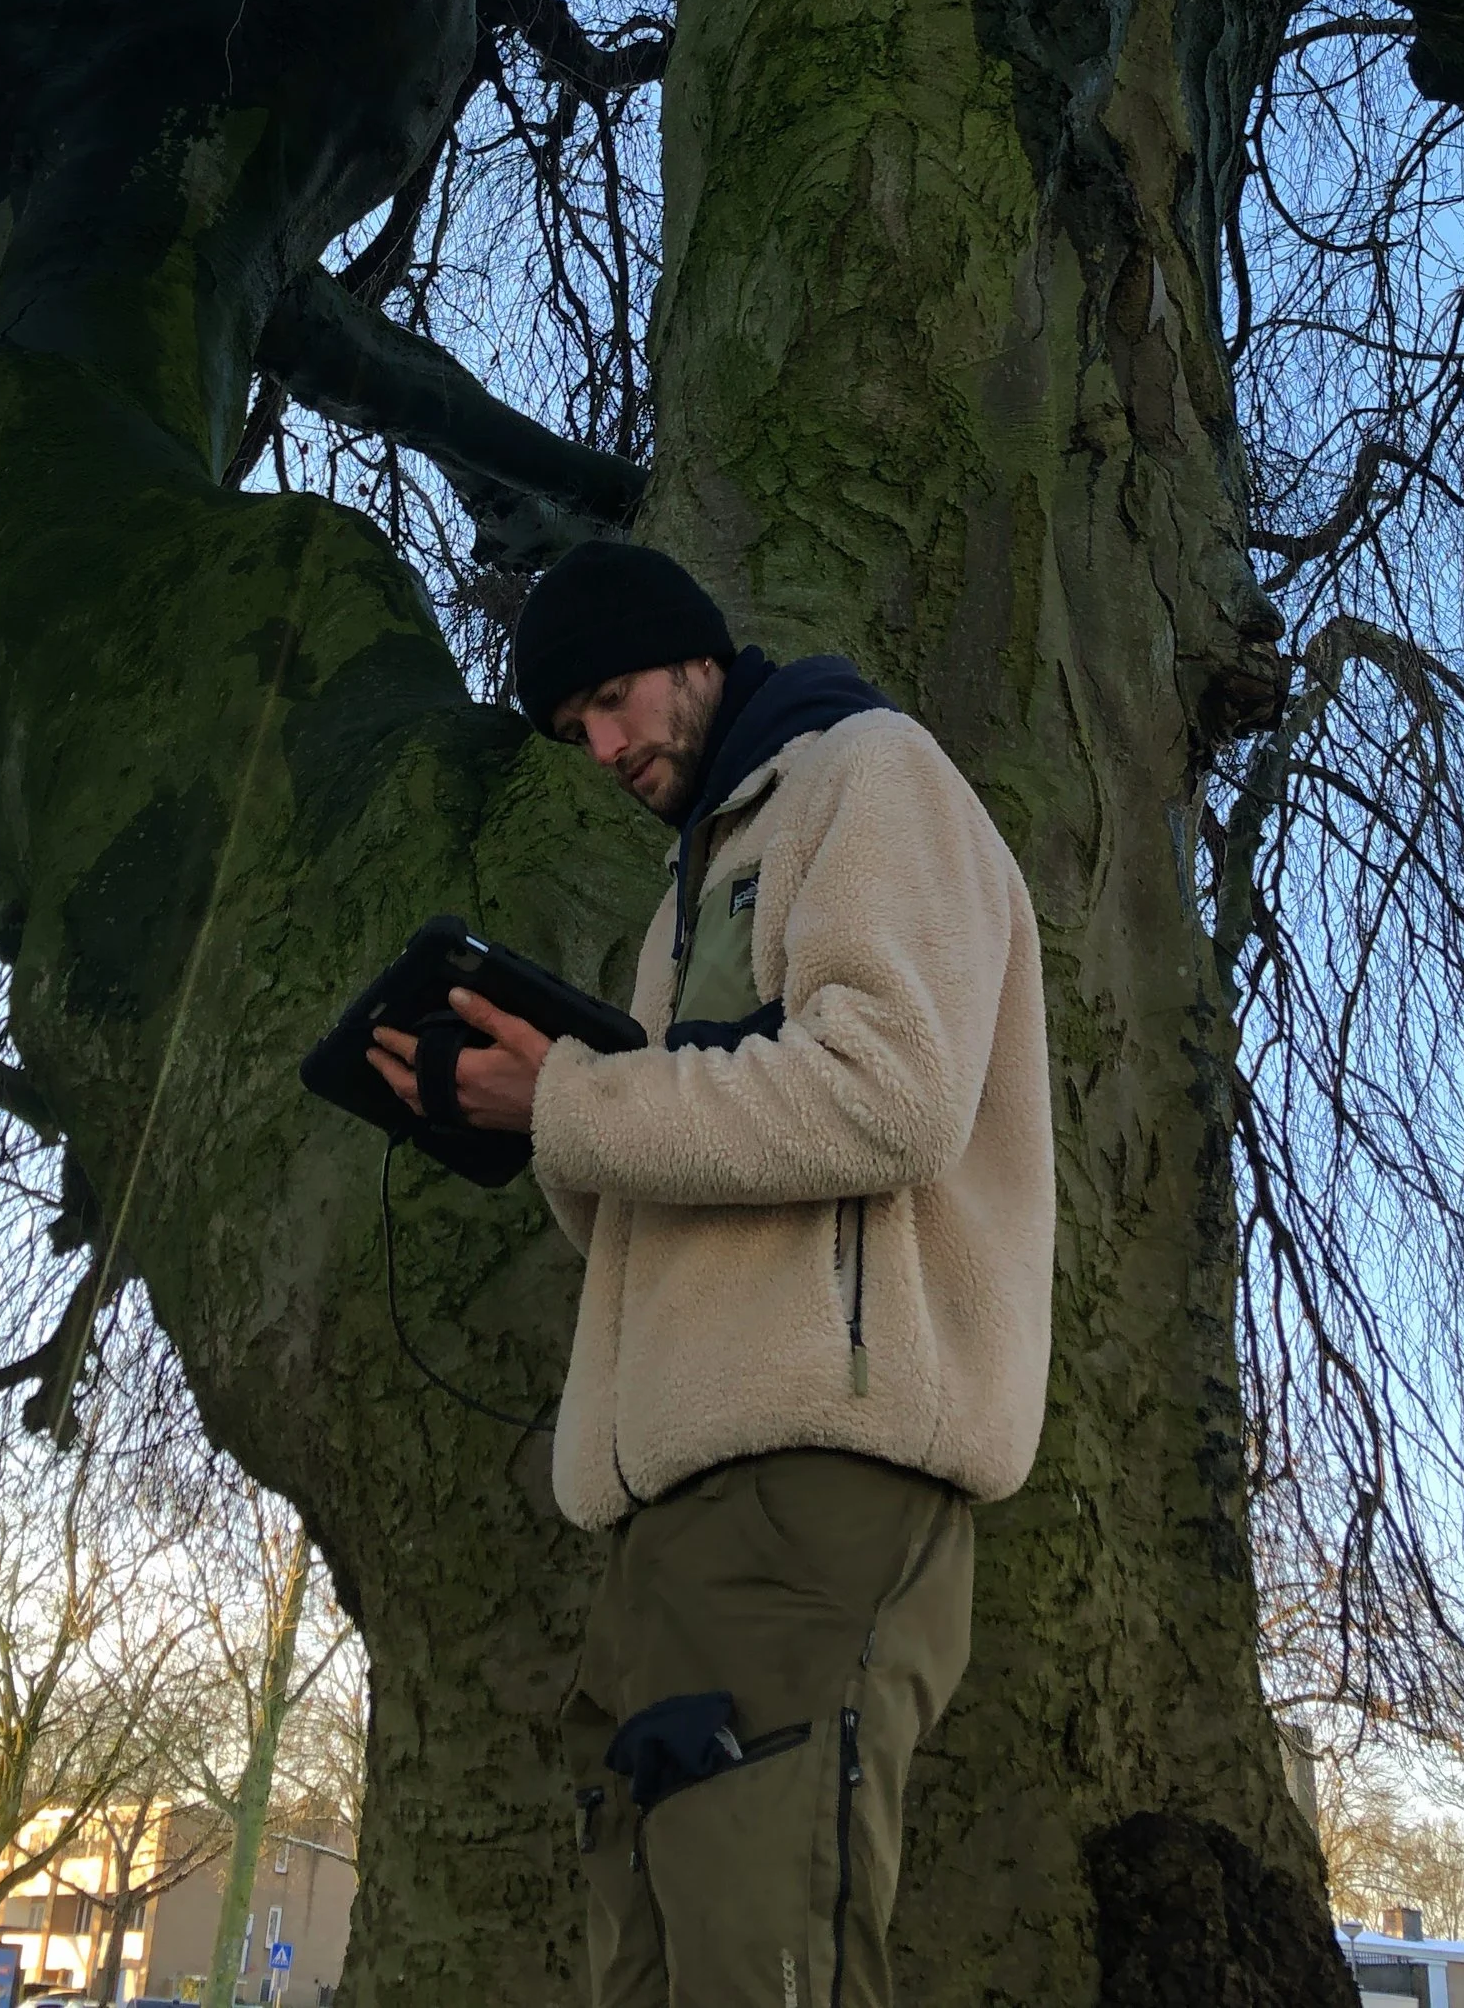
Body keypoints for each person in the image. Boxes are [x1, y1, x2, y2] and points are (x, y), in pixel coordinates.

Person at [368, 539, 1055, 2008]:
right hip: (671, 1517)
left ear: (695, 654)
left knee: (763, 1962)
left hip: (814, 1486)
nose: (604, 748)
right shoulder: (683, 899)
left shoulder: (869, 773)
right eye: (574, 730)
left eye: (613, 699)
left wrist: (572, 1099)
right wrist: (524, 1118)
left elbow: (890, 1095)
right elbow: (684, 1203)